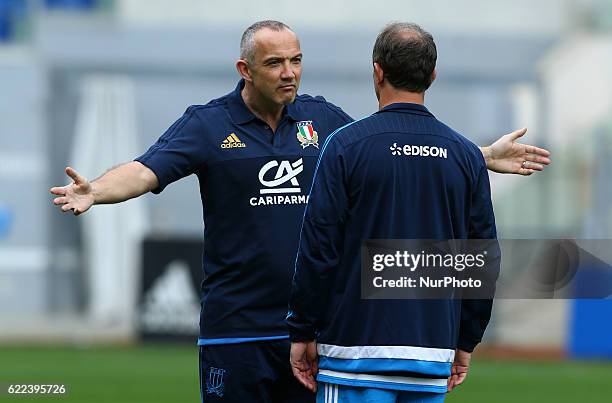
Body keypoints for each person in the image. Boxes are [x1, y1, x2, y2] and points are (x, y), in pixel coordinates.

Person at [50, 21, 549, 403]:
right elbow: (144, 170)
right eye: (275, 63)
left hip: (315, 338)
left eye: (296, 60)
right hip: (238, 330)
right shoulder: (206, 125)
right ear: (245, 70)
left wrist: (479, 157)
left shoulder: (323, 117)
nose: (289, 72)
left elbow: (389, 150)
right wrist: (96, 190)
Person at [287, 22, 504, 403]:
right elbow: (482, 257)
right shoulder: (465, 154)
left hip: (354, 355)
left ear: (378, 71)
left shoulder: (346, 146)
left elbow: (318, 247)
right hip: (431, 355)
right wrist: (466, 339)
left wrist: (302, 329)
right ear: (432, 75)